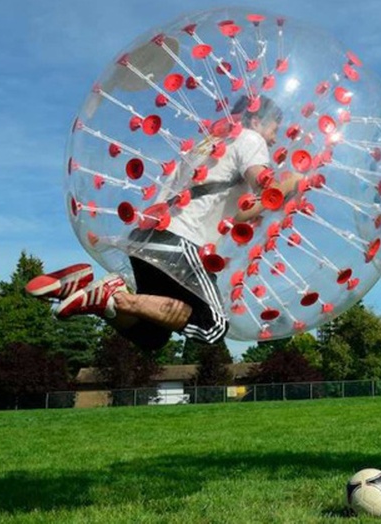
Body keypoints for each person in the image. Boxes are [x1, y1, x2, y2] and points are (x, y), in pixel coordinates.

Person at [27, 95, 299, 350]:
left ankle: (92, 296)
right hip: (179, 242)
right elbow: (266, 192)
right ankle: (117, 295)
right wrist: (293, 183)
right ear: (254, 121)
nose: (275, 138)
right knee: (212, 326)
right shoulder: (250, 139)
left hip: (147, 237)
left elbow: (237, 212)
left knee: (152, 335)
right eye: (275, 129)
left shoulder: (208, 145)